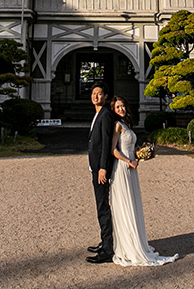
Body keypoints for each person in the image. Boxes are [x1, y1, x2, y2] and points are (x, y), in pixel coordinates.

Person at [108, 95, 178, 267]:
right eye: (117, 107)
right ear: (113, 110)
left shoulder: (126, 124)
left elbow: (129, 146)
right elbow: (113, 150)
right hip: (123, 169)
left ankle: (136, 241)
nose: (121, 109)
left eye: (123, 106)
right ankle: (127, 245)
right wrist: (128, 161)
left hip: (132, 168)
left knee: (133, 204)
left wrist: (140, 153)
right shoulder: (117, 125)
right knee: (125, 206)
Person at [85, 82, 116, 264]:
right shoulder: (99, 114)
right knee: (101, 206)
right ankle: (105, 241)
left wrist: (103, 167)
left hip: (100, 170)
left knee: (103, 207)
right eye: (93, 93)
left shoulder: (105, 115)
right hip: (95, 167)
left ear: (105, 97)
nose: (95, 96)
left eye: (99, 94)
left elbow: (105, 144)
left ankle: (107, 249)